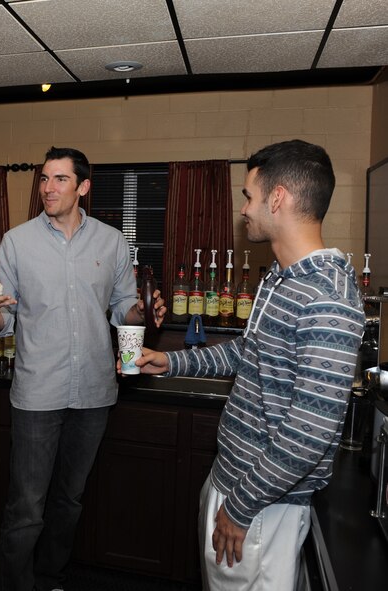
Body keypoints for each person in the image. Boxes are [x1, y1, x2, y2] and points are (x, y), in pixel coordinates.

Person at [131, 139, 365, 590]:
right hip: (233, 481)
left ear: (278, 198)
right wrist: (171, 362)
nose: (244, 209)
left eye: (249, 196)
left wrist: (240, 508)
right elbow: (247, 352)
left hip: (261, 508)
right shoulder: (282, 279)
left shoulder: (327, 297)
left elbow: (308, 433)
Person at [0, 146, 166, 591]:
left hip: (95, 392)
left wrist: (143, 313)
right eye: (43, 179)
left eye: (60, 179)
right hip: (37, 393)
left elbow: (124, 312)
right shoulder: (17, 242)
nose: (48, 188)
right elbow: (4, 320)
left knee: (70, 500)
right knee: (26, 507)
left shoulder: (112, 241)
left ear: (82, 187)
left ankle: (52, 578)